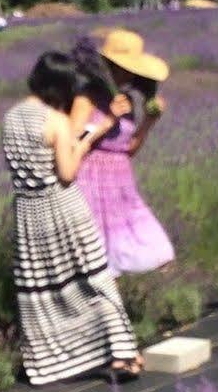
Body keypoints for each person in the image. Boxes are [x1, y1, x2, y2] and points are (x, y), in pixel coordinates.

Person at [2, 52, 141, 383]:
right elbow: (66, 172)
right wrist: (91, 134)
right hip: (63, 209)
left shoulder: (10, 117)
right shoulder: (56, 121)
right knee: (94, 278)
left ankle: (50, 362)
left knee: (42, 289)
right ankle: (123, 354)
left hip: (28, 213)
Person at [74, 31, 175, 275]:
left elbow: (127, 149)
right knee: (99, 262)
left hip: (120, 184)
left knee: (159, 253)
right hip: (90, 180)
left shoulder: (126, 99)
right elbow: (74, 139)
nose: (127, 74)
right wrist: (108, 120)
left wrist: (149, 120)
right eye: (122, 68)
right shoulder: (86, 96)